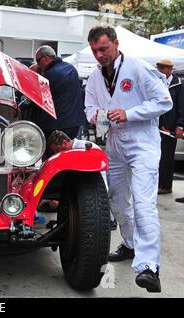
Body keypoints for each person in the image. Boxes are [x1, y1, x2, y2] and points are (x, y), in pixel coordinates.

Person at [84, 25, 172, 293]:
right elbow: (88, 108)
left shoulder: (138, 67)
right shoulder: (94, 78)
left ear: (116, 43)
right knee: (117, 201)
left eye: (104, 49)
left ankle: (149, 267)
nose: (100, 55)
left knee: (143, 202)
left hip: (142, 143)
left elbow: (164, 101)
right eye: (95, 51)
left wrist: (129, 113)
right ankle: (130, 244)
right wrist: (98, 115)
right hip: (114, 143)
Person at [45, 130, 118, 231]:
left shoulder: (85, 148)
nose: (57, 153)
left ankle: (110, 219)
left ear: (65, 143)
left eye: (57, 150)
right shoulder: (72, 150)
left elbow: (101, 180)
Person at [34, 45, 86, 140]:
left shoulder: (49, 75)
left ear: (46, 58)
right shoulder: (71, 68)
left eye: (38, 60)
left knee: (56, 153)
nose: (37, 64)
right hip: (76, 122)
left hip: (58, 125)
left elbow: (38, 99)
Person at [155, 59, 184, 194]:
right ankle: (158, 183)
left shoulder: (178, 85)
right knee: (157, 157)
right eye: (159, 67)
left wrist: (180, 125)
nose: (159, 70)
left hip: (170, 127)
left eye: (162, 68)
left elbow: (181, 107)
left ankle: (166, 186)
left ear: (169, 69)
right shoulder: (158, 82)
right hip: (157, 126)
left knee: (167, 157)